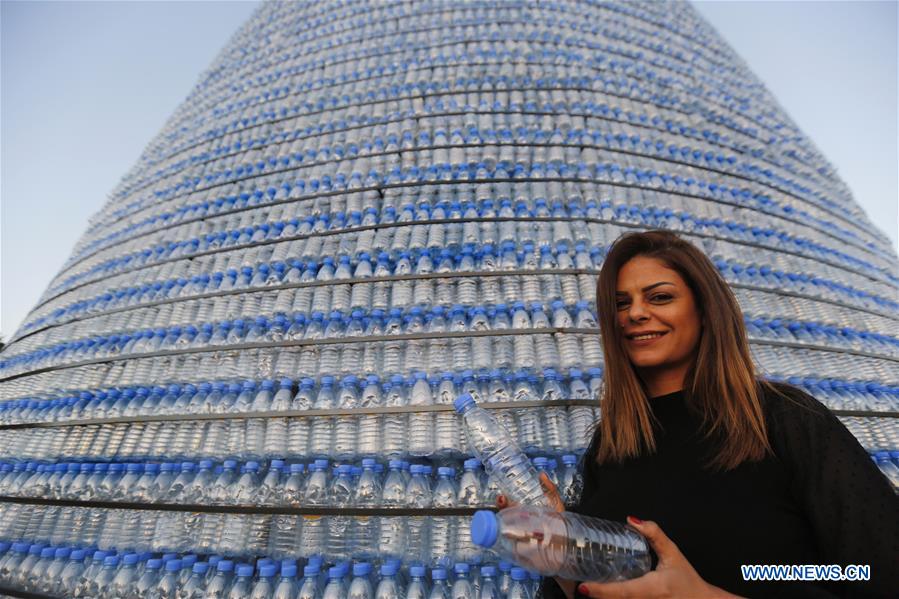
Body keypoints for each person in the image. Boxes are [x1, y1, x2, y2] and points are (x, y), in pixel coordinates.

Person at [501, 230, 898, 598]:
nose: (635, 313)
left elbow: (867, 570)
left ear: (705, 309)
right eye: (620, 303)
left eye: (659, 297)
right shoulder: (611, 446)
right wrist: (560, 553)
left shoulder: (784, 420)